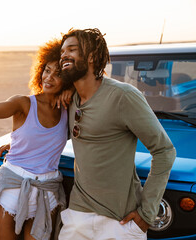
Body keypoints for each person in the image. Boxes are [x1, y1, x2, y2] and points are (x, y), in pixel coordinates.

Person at [57, 28, 176, 240]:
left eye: (72, 50)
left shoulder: (123, 96)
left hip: (119, 223)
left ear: (92, 56)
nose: (64, 55)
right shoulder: (70, 100)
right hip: (77, 217)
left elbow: (164, 151)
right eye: (62, 52)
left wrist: (146, 214)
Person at [0, 39, 68, 240]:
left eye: (58, 73)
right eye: (47, 70)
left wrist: (21, 142)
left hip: (47, 190)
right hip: (14, 187)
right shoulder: (24, 103)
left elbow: (49, 138)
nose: (49, 77)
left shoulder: (67, 110)